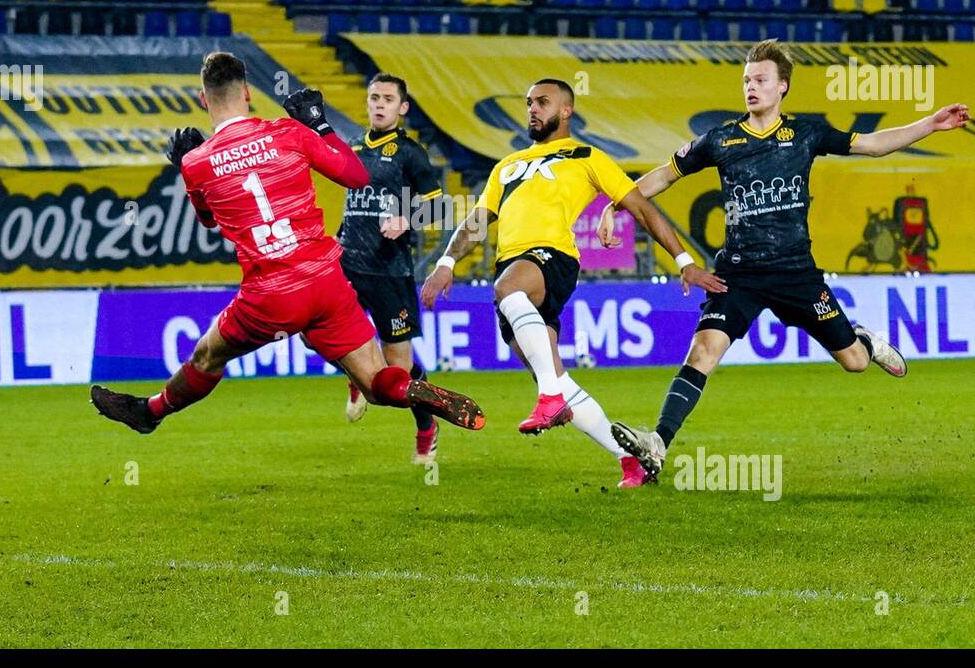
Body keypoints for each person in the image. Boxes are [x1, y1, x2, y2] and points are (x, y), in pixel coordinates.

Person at [597, 39, 970, 481]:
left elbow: (871, 144)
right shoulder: (721, 139)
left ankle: (864, 340)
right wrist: (617, 201)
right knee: (702, 351)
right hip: (738, 274)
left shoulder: (806, 134)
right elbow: (664, 174)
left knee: (852, 361)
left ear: (782, 87)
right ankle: (657, 444)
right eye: (746, 81)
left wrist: (929, 123)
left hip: (796, 275)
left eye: (760, 80)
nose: (751, 88)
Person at [89, 51, 486, 440]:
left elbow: (209, 218)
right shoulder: (288, 132)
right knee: (376, 380)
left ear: (203, 100)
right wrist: (320, 126)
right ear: (247, 92)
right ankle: (410, 389)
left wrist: (187, 167)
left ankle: (151, 412)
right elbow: (356, 175)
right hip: (328, 282)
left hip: (271, 294)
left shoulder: (198, 162)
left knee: (208, 355)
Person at [420, 78, 724, 488]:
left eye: (542, 102)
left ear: (566, 111)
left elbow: (641, 208)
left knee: (508, 291)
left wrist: (685, 260)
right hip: (515, 269)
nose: (532, 109)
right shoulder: (505, 166)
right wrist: (445, 263)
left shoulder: (588, 157)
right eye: (528, 102)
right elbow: (477, 222)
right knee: (554, 373)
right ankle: (632, 461)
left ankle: (550, 400)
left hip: (551, 259)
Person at [336, 73, 445, 464]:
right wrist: (337, 238)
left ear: (402, 108)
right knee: (314, 328)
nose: (378, 104)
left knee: (398, 372)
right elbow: (354, 208)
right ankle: (355, 375)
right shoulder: (351, 148)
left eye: (387, 99)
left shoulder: (410, 154)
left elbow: (439, 206)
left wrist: (407, 218)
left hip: (389, 272)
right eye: (373, 97)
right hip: (347, 266)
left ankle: (426, 427)